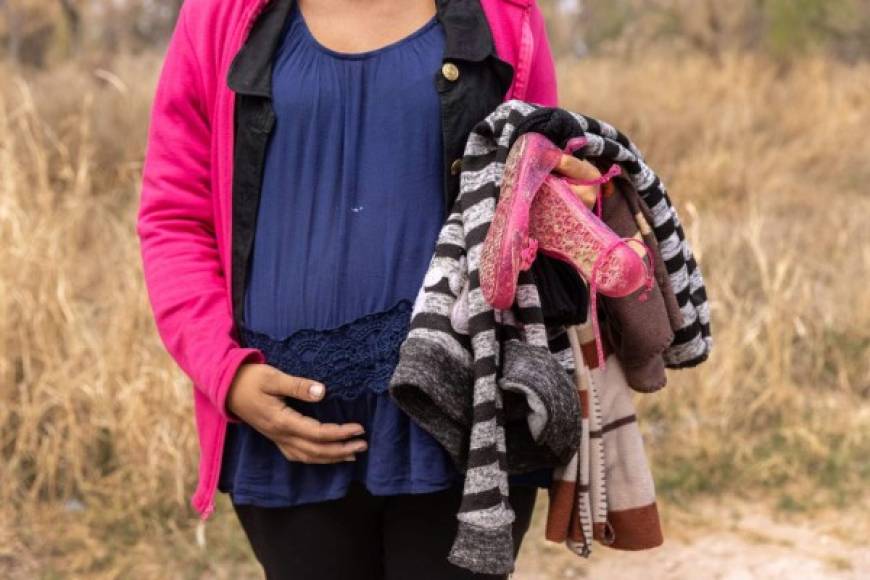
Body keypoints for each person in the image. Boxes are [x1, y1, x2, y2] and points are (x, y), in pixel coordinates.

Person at [136, 0, 604, 577]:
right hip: (285, 421)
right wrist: (226, 376)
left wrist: (571, 194)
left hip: (466, 406)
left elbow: (541, 184)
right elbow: (174, 216)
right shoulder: (220, 16)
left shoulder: (505, 16)